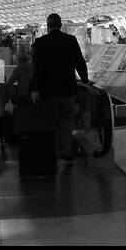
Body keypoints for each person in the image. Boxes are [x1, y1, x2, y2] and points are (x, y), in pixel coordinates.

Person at [31, 13, 89, 164]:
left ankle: (51, 153)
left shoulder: (40, 42)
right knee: (67, 121)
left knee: (49, 122)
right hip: (68, 90)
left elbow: (37, 69)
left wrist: (34, 89)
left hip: (48, 91)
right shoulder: (70, 40)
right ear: (60, 24)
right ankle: (66, 153)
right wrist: (85, 80)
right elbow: (80, 62)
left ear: (48, 25)